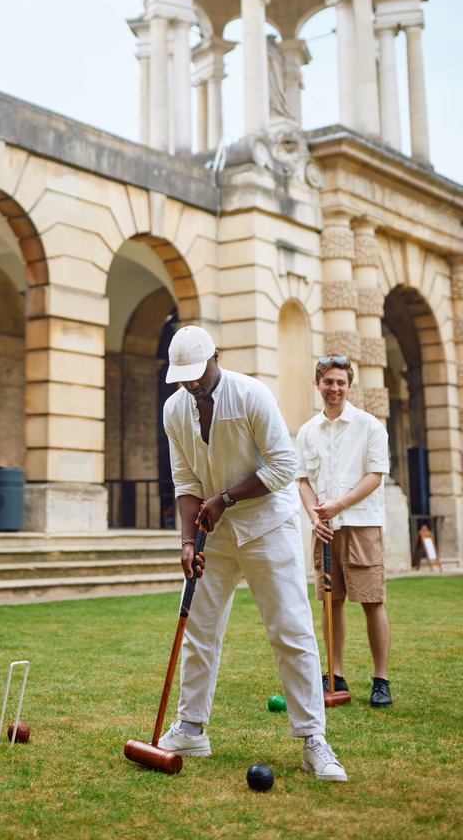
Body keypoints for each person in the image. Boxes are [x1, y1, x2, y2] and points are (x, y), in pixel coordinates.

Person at [158, 325, 347, 782]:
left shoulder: (251, 395)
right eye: (182, 376)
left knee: (291, 629)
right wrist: (187, 542)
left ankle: (313, 739)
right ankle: (191, 728)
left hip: (268, 525)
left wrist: (224, 498)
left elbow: (284, 465)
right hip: (212, 532)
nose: (191, 383)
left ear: (216, 357)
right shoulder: (174, 410)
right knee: (201, 630)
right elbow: (185, 481)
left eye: (197, 373)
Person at [296, 354, 392, 708]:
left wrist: (338, 505)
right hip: (325, 529)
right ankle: (334, 675)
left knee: (372, 601)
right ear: (318, 384)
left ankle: (380, 680)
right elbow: (303, 481)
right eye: (328, 381)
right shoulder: (308, 431)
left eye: (340, 382)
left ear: (349, 386)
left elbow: (375, 476)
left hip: (362, 525)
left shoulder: (369, 426)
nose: (334, 388)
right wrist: (314, 513)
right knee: (330, 602)